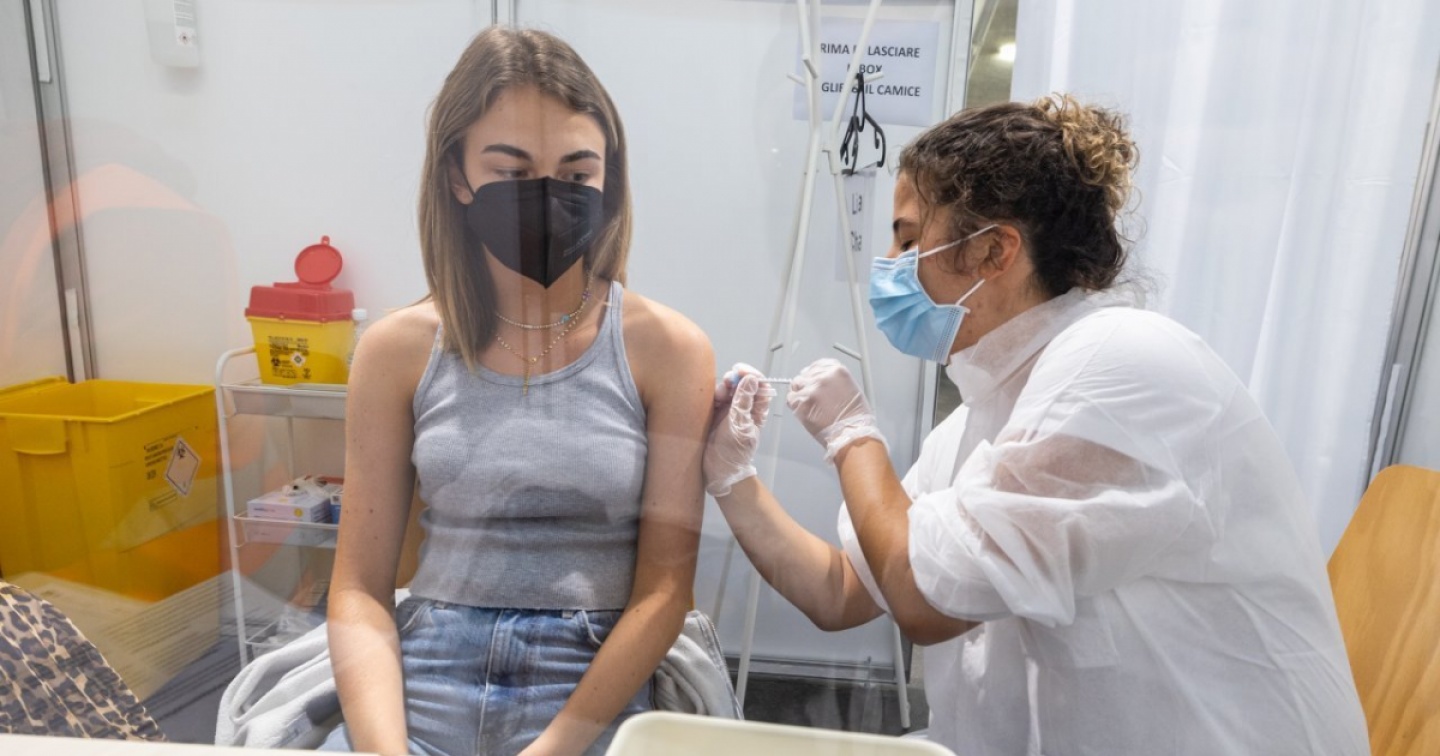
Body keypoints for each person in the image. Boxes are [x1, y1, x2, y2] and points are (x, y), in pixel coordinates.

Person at [704, 95, 1369, 755]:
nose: (888, 262)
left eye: (908, 238)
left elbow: (922, 599)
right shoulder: (987, 412)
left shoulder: (1119, 366)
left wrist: (852, 435)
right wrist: (731, 478)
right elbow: (843, 593)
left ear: (994, 251)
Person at [324, 27, 713, 756]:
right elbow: (358, 590)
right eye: (512, 169)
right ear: (457, 175)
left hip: (590, 681)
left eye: (576, 172)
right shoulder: (396, 350)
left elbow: (664, 593)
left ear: (609, 180)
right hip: (426, 671)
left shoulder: (667, 349)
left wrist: (554, 748)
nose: (547, 194)